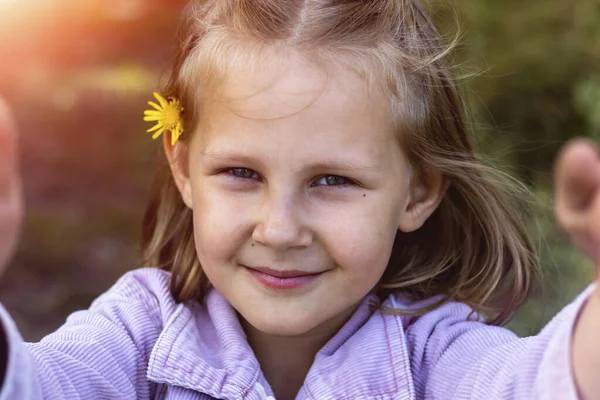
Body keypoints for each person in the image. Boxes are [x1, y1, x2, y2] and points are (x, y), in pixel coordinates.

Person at [0, 0, 599, 399]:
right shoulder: (137, 333)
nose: (280, 230)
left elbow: (536, 386)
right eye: (240, 172)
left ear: (418, 193)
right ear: (183, 170)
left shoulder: (436, 356)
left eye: (332, 181)